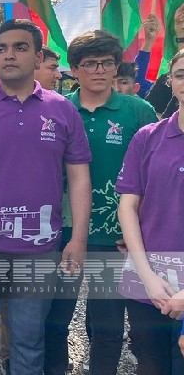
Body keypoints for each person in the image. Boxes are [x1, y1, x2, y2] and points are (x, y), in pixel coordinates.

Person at [0, 19, 92, 375]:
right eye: (2, 49)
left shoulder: (62, 110)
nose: (9, 55)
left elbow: (79, 178)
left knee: (28, 340)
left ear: (38, 57)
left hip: (38, 247)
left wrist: (79, 239)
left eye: (20, 47)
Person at [43, 30, 158, 375]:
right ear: (75, 69)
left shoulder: (138, 111)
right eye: (90, 63)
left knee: (107, 327)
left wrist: (140, 230)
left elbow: (155, 174)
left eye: (107, 63)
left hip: (115, 237)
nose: (99, 70)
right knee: (55, 320)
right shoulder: (56, 108)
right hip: (63, 231)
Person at [117, 49, 184, 375]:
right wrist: (146, 277)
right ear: (170, 81)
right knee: (150, 365)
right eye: (181, 75)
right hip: (149, 280)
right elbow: (128, 206)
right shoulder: (148, 137)